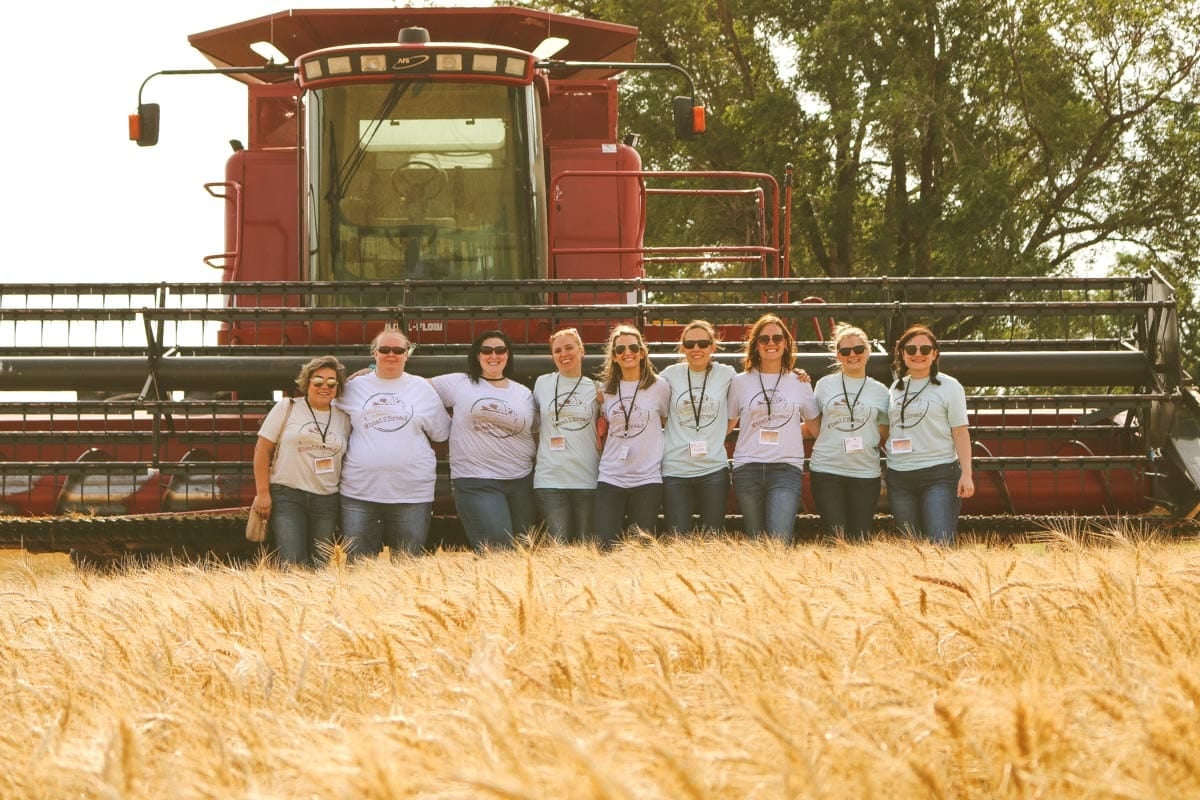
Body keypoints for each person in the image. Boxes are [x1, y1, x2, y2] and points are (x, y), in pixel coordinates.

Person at [337, 326, 451, 560]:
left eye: (398, 350)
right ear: (374, 353)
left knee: (407, 569)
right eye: (385, 349)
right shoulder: (352, 388)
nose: (391, 354)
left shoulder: (422, 389)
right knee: (357, 569)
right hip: (360, 492)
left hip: (412, 494)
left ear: (407, 354)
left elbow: (441, 433)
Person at [431, 330, 537, 550]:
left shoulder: (523, 393)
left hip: (521, 482)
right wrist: (373, 373)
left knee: (521, 551)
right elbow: (413, 387)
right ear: (477, 355)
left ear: (508, 355)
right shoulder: (460, 383)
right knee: (497, 550)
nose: (493, 356)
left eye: (500, 350)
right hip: (477, 481)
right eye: (486, 351)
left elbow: (535, 430)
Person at [728, 314, 819, 542]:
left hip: (785, 468)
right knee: (756, 540)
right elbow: (727, 425)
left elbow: (816, 428)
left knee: (780, 539)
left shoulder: (800, 382)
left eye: (777, 338)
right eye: (764, 339)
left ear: (786, 343)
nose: (771, 343)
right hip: (748, 467)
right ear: (755, 345)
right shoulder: (739, 382)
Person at [252, 356, 351, 566]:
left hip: (327, 499)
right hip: (288, 496)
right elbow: (262, 449)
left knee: (320, 564)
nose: (325, 386)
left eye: (332, 382)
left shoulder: (344, 418)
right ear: (307, 383)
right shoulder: (286, 407)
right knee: (293, 561)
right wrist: (262, 493)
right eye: (318, 381)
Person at [884, 324, 974, 545]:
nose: (918, 354)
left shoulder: (950, 386)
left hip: (939, 474)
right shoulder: (895, 388)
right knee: (911, 546)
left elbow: (960, 432)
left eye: (925, 349)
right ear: (902, 354)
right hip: (900, 476)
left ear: (935, 354)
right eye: (911, 349)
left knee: (939, 543)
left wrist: (967, 474)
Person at [805, 324, 890, 541]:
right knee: (835, 537)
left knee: (860, 538)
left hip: (864, 472)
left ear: (867, 351)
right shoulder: (824, 385)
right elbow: (814, 423)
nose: (853, 355)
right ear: (838, 355)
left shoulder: (881, 391)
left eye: (858, 350)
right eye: (845, 351)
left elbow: (883, 431)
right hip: (827, 469)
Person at [593, 324, 671, 547]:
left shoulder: (660, 387)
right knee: (605, 546)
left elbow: (664, 419)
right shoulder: (605, 390)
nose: (627, 352)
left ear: (642, 352)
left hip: (646, 478)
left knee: (641, 547)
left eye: (633, 347)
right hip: (611, 476)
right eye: (620, 349)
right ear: (614, 357)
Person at [660, 320, 736, 535]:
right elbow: (661, 413)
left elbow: (739, 406)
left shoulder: (726, 374)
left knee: (712, 536)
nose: (696, 349)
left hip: (713, 470)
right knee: (678, 536)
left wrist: (720, 430)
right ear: (682, 347)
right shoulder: (669, 375)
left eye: (703, 343)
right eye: (690, 344)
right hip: (676, 470)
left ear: (713, 346)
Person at [532, 328, 601, 543]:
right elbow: (534, 424)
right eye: (557, 350)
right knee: (559, 546)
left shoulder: (597, 388)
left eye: (569, 348)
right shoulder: (542, 383)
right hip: (550, 477)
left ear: (582, 351)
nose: (564, 354)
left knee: (585, 546)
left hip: (587, 478)